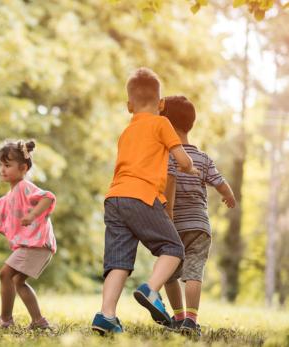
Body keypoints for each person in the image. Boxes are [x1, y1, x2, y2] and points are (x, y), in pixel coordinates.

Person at [90, 67, 198, 335]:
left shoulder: (127, 132)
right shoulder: (162, 123)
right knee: (173, 249)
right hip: (142, 196)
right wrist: (190, 167)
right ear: (161, 104)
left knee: (118, 262)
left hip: (114, 198)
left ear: (129, 106)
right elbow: (182, 159)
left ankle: (106, 315)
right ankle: (151, 289)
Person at [161, 95, 236, 336]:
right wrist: (229, 196)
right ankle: (191, 321)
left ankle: (179, 317)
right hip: (199, 226)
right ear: (190, 124)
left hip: (173, 225)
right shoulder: (202, 158)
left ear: (166, 125)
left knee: (169, 274)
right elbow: (220, 182)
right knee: (194, 272)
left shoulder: (166, 156)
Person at [0, 140, 57, 330]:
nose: (2, 169)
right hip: (36, 245)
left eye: (7, 165)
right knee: (17, 281)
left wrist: (32, 215)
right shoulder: (12, 193)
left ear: (23, 167)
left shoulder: (25, 186)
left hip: (37, 244)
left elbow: (47, 197)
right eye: (1, 165)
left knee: (5, 274)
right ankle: (38, 321)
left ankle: (6, 319)